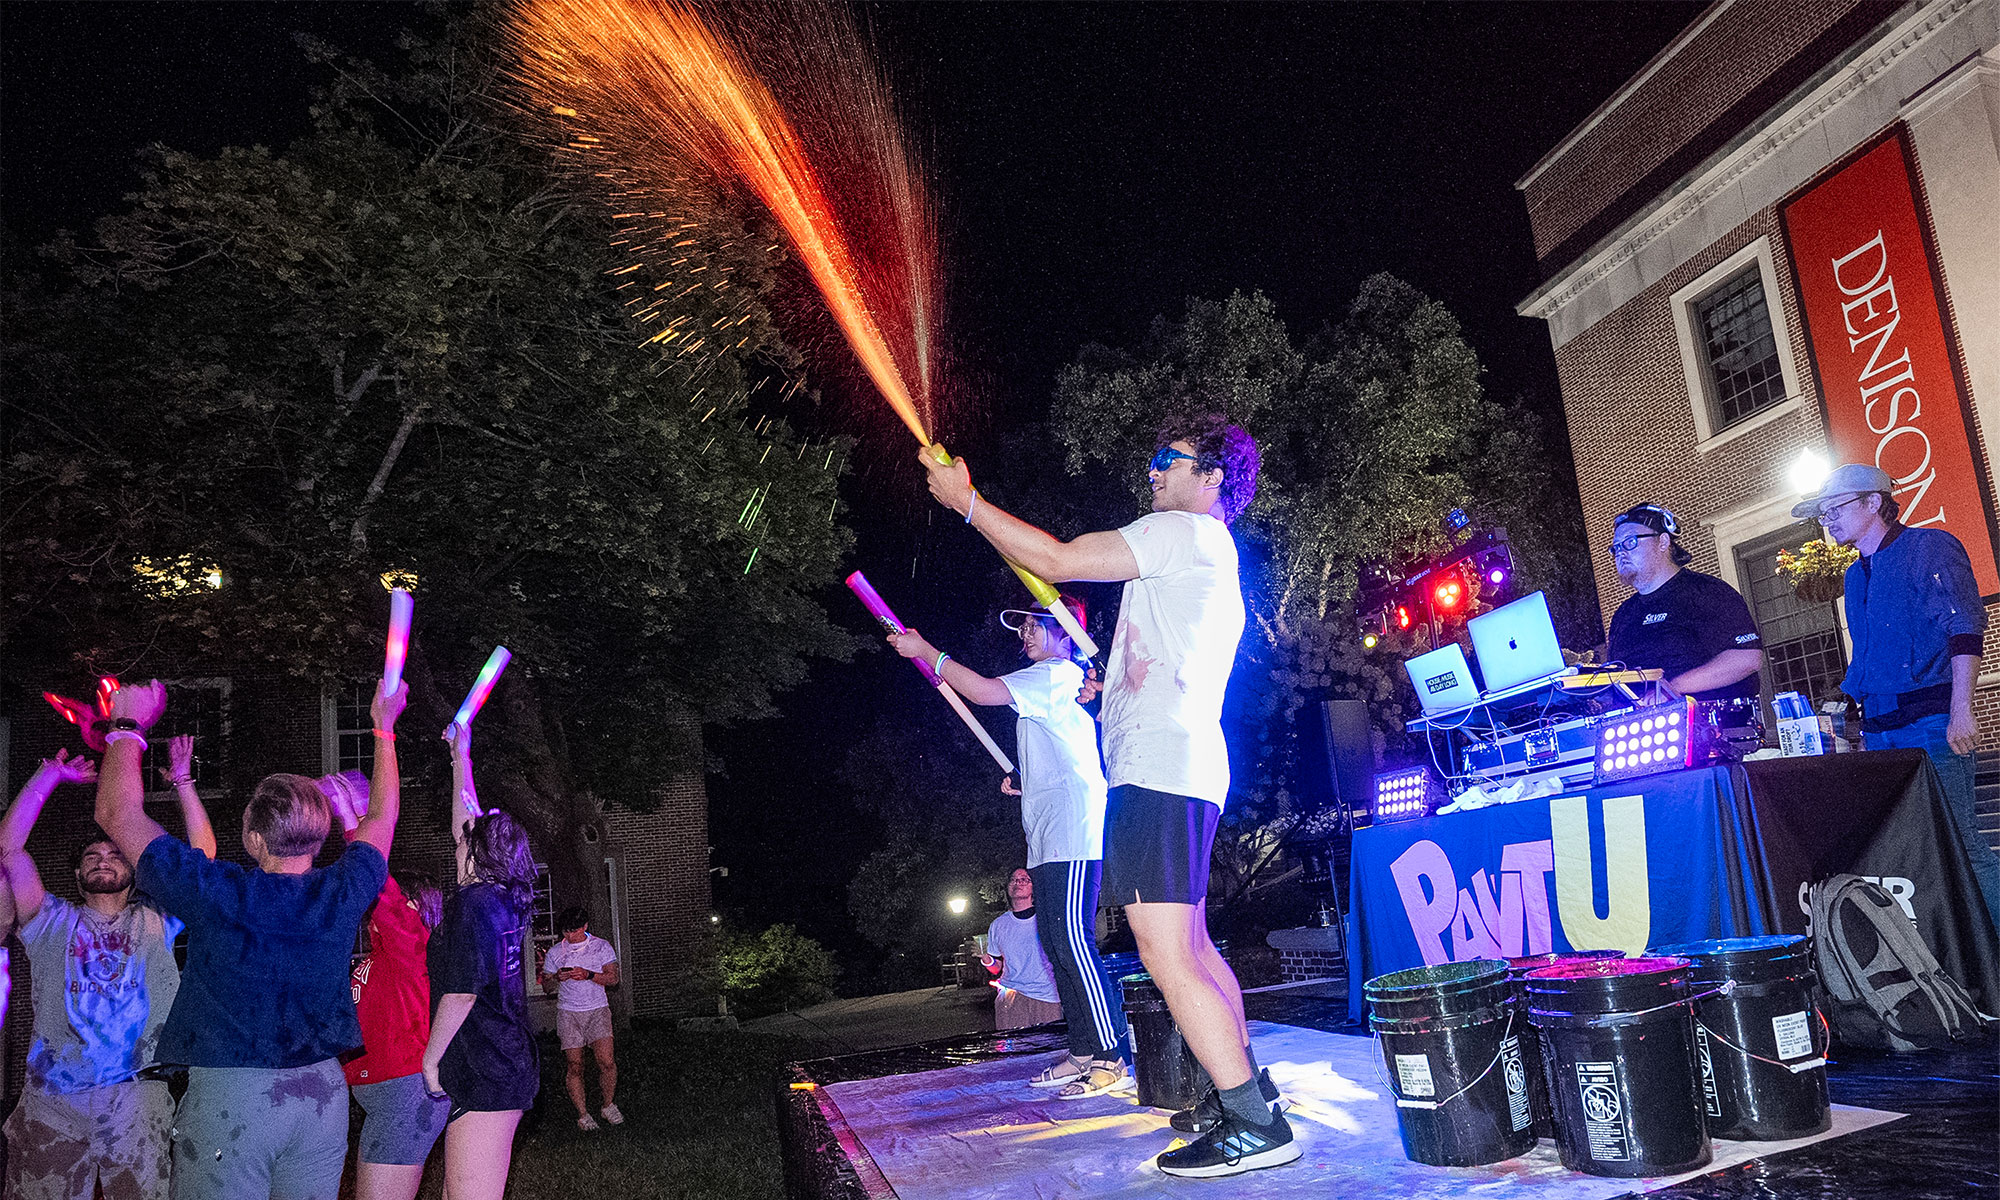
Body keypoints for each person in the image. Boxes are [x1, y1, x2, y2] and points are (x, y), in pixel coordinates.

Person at [917, 415, 1296, 1179]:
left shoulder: (1182, 532)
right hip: (1181, 764)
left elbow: (1055, 558)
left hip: (1160, 770)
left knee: (1164, 951)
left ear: (1213, 476)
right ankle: (1249, 1091)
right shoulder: (1205, 553)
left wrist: (967, 504)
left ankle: (1254, 1122)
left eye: (1169, 459)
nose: (1152, 472)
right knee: (1191, 947)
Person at [93, 680, 403, 1200]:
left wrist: (126, 727)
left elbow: (117, 815)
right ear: (321, 834)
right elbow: (382, 818)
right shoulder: (341, 890)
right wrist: (384, 729)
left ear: (255, 839)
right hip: (322, 1097)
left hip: (234, 1099)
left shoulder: (216, 891)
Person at [888, 596, 1130, 1098]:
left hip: (1071, 829)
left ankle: (1112, 1055)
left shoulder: (1057, 673)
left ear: (1064, 633)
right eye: (1021, 628)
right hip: (1047, 829)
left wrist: (924, 650)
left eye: (1034, 626)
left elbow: (978, 690)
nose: (1024, 635)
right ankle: (1084, 1050)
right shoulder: (1051, 687)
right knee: (1059, 945)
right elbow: (1065, 748)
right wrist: (1029, 780)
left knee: (1074, 944)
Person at [1, 738, 215, 1200]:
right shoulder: (47, 922)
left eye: (116, 854)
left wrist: (183, 782)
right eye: (91, 858)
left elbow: (201, 859)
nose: (102, 861)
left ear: (135, 871)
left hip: (137, 1093)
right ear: (77, 873)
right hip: (53, 1096)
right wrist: (47, 776)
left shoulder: (157, 918)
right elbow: (8, 851)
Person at [1799, 462, 2000, 932]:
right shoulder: (1854, 576)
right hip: (1878, 731)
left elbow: (1965, 628)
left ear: (1875, 502)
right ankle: (1954, 953)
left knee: (1963, 842)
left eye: (1837, 508)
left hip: (1931, 722)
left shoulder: (1929, 547)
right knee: (1911, 847)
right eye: (1823, 513)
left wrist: (1962, 709)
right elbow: (1868, 656)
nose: (1828, 520)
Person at [422, 723, 540, 1200]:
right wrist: (460, 755)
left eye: (470, 832)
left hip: (490, 1069)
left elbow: (463, 991)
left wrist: (430, 1061)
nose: (462, 829)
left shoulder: (474, 907)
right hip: (496, 1064)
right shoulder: (499, 897)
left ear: (478, 851)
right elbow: (465, 817)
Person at [323, 770, 448, 1200]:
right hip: (384, 1096)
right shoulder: (383, 956)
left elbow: (376, 883)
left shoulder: (410, 946)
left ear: (413, 905)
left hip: (404, 1095)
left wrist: (349, 818)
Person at [1603, 503, 1765, 703]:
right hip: (1636, 729)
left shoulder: (1706, 591)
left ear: (1663, 541)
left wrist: (1671, 690)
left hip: (1710, 728)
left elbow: (1747, 659)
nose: (1620, 553)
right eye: (1615, 547)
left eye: (1630, 542)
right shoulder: (1624, 614)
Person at [540, 905, 623, 1130]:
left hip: (597, 1009)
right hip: (569, 1012)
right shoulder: (556, 952)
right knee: (574, 1064)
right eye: (566, 932)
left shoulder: (600, 947)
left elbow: (613, 978)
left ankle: (608, 1105)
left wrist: (589, 975)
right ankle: (583, 1114)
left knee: (606, 1061)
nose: (570, 936)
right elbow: (546, 986)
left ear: (585, 927)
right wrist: (556, 977)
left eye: (574, 931)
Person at [977, 867, 1065, 1031]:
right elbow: (997, 969)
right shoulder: (998, 925)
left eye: (1024, 879)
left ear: (1033, 887)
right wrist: (987, 960)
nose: (1018, 882)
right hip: (1011, 997)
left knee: (1049, 1051)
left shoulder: (1047, 919)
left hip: (1046, 996)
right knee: (1016, 1051)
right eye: (1013, 879)